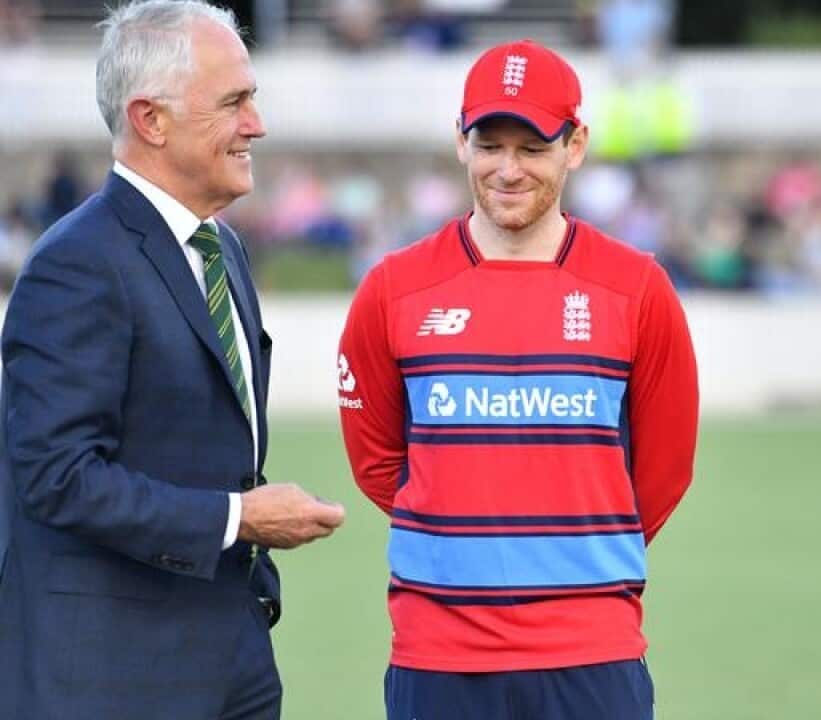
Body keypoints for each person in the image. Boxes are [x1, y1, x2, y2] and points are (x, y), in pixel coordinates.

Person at [0, 2, 346, 718]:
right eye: (234, 103)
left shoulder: (223, 251)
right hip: (113, 675)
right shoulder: (79, 264)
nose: (258, 124)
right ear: (151, 120)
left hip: (227, 656)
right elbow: (57, 477)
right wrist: (238, 519)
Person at [338, 39, 699, 720]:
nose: (508, 169)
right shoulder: (393, 289)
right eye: (490, 145)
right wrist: (465, 536)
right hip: (437, 655)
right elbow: (378, 463)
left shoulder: (638, 288)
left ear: (576, 145)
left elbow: (664, 471)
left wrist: (576, 549)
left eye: (533, 148)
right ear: (460, 143)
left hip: (592, 655)